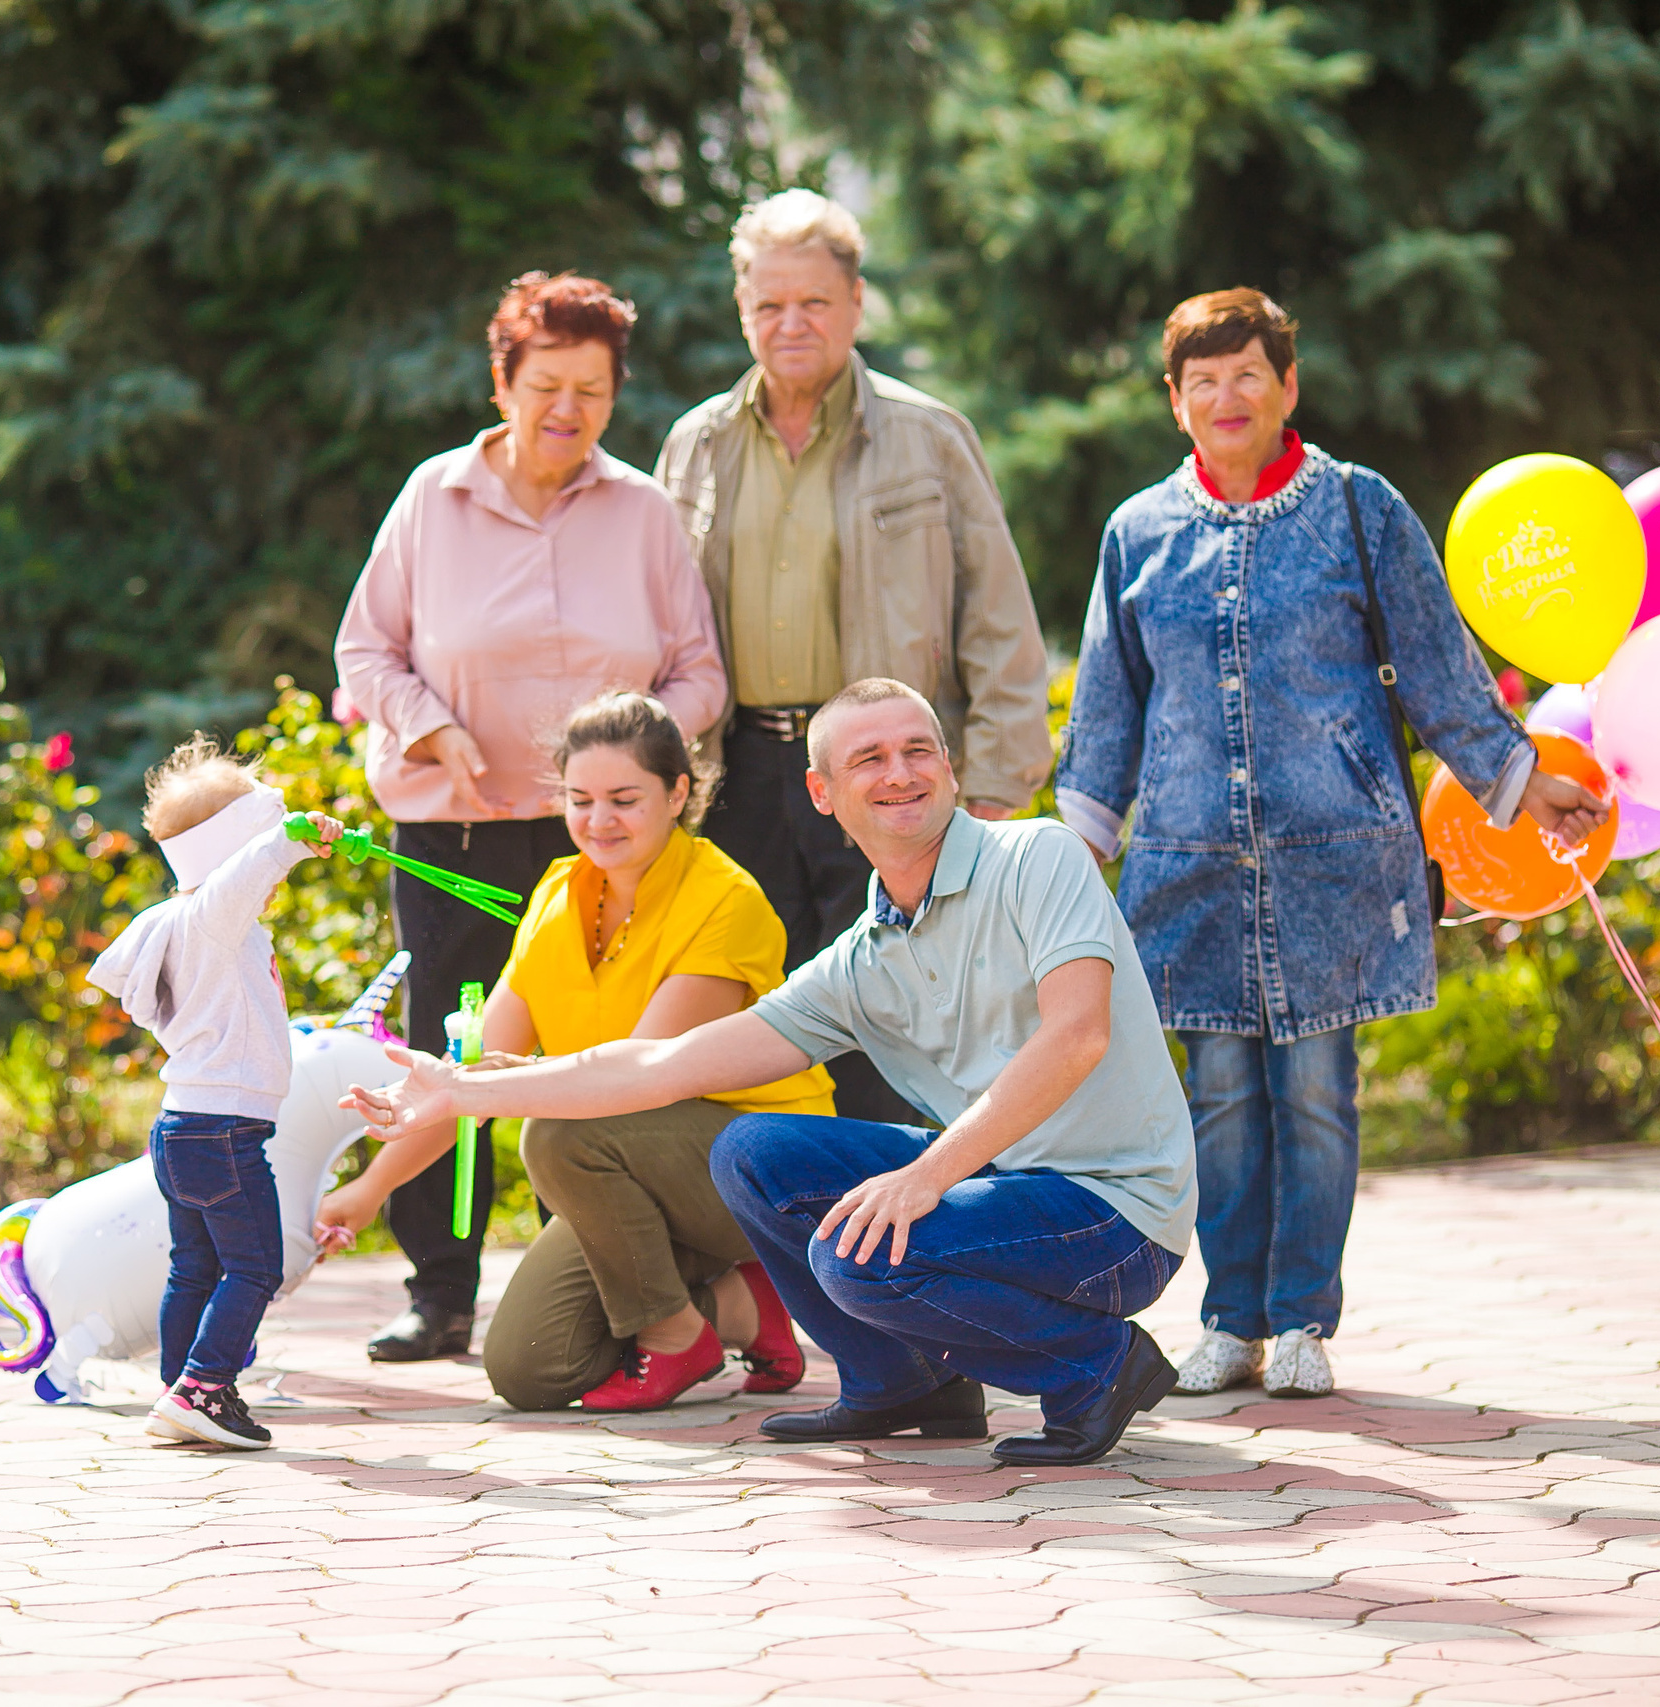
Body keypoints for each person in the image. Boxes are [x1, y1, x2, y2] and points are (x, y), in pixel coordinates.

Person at [345, 680, 1199, 1469]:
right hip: (1004, 1185)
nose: (900, 773)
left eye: (918, 750)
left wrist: (927, 1174)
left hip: (1117, 1213)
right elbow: (667, 1063)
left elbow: (1078, 1035)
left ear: (948, 766)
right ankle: (901, 1382)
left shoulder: (1037, 856)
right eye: (869, 758)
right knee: (751, 1152)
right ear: (822, 791)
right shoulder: (863, 960)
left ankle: (1096, 1366)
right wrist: (463, 1089)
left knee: (856, 1255)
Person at [1055, 288, 1611, 1404]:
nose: (1227, 397)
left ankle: (1304, 1316)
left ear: (1287, 386)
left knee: (1316, 1094)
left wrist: (1521, 782)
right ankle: (1231, 1320)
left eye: (1247, 375)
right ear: (1175, 401)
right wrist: (1074, 850)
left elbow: (1438, 662)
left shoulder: (1358, 508)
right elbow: (1110, 704)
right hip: (1188, 870)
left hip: (1335, 862)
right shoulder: (1137, 532)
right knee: (1219, 1100)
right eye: (1203, 382)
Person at [335, 272, 728, 1364]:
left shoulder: (642, 512)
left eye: (592, 390)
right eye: (546, 385)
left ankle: (597, 1291)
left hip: (603, 845)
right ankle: (440, 1291)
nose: (568, 409)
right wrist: (430, 730)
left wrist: (633, 757)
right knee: (448, 1050)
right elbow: (366, 649)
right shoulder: (434, 497)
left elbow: (700, 673)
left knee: (597, 1065)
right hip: (457, 836)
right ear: (502, 383)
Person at [653, 190, 1055, 1124]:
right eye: (769, 304)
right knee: (756, 1026)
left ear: (857, 303)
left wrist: (997, 782)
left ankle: (901, 1209)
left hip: (884, 773)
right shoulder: (697, 443)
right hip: (739, 774)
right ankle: (774, 1214)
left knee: (894, 1020)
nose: (791, 323)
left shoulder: (929, 436)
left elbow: (999, 619)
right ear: (742, 309)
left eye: (815, 302)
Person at [315, 693, 834, 1412]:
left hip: (757, 1170)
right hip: (626, 1168)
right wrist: (366, 1192)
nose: (599, 820)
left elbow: (646, 1076)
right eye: (580, 799)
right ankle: (744, 1309)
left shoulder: (728, 899)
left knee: (555, 1133)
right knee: (530, 1367)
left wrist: (508, 1083)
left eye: (624, 799)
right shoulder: (558, 893)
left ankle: (676, 1335)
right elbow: (469, 1079)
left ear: (677, 793)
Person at [86, 737, 344, 1450]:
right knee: (257, 1267)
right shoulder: (213, 918)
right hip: (224, 1132)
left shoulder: (194, 924)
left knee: (195, 1268)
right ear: (234, 852)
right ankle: (203, 1386)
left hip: (185, 1129)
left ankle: (181, 1391)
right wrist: (291, 838)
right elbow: (250, 868)